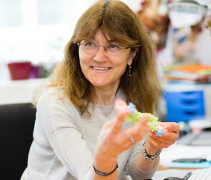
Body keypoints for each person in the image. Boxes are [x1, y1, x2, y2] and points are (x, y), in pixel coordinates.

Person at [21, 0, 179, 179]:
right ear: (76, 49)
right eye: (89, 43)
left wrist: (153, 145)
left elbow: (137, 174)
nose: (98, 57)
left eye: (113, 46)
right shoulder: (55, 103)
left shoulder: (132, 97)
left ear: (132, 55)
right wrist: (107, 155)